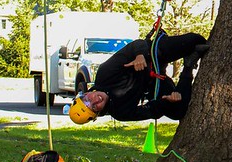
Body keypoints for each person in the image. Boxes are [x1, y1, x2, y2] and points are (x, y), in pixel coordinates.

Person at [68, 30, 209, 123]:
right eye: (94, 107)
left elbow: (136, 44)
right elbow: (150, 111)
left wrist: (140, 55)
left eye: (87, 100)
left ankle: (170, 44)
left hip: (152, 55)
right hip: (153, 83)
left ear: (86, 93)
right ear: (97, 114)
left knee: (196, 40)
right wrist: (166, 101)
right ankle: (189, 66)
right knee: (178, 111)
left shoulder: (105, 73)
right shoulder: (120, 113)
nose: (95, 100)